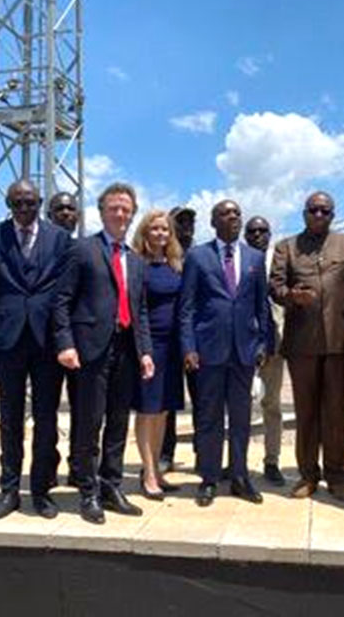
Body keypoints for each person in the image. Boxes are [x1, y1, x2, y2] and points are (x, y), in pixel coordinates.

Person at [54, 182, 154, 525]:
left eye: (126, 209)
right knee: (89, 421)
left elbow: (140, 310)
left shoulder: (136, 260)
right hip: (90, 350)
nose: (120, 214)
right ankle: (88, 491)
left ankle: (111, 485)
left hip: (126, 349)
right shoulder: (83, 250)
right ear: (101, 212)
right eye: (114, 208)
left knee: (118, 422)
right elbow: (62, 300)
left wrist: (145, 351)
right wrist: (65, 343)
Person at [0, 179, 70, 522]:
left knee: (46, 419)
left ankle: (41, 491)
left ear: (40, 203)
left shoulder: (59, 238)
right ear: (8, 205)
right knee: (10, 418)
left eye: (30, 202)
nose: (25, 209)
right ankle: (9, 490)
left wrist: (66, 340)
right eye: (18, 203)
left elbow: (65, 292)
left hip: (46, 340)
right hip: (7, 340)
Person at [269, 192, 344, 502]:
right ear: (304, 213)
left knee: (335, 413)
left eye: (325, 210)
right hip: (302, 343)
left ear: (333, 215)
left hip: (339, 342)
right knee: (306, 412)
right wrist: (292, 296)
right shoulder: (286, 247)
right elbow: (275, 287)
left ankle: (336, 476)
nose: (319, 215)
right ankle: (308, 474)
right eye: (313, 210)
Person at [179, 199, 269, 507]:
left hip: (244, 351)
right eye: (225, 214)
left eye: (236, 213)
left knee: (241, 418)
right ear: (213, 221)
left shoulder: (255, 257)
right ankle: (209, 478)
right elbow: (187, 307)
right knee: (209, 418)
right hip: (208, 351)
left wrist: (263, 343)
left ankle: (240, 477)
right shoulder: (197, 256)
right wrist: (189, 347)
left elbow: (261, 306)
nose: (233, 217)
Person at [131, 210, 184, 499]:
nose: (160, 234)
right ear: (145, 232)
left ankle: (157, 470)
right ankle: (148, 472)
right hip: (149, 347)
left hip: (173, 348)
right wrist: (144, 350)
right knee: (147, 410)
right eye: (155, 229)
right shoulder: (137, 264)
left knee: (163, 410)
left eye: (165, 229)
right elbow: (136, 310)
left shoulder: (176, 264)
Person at [244, 216, 285, 486]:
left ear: (270, 234)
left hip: (273, 344)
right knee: (241, 407)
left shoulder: (278, 261)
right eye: (253, 231)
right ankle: (238, 462)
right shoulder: (239, 260)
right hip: (243, 345)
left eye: (263, 231)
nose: (258, 235)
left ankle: (272, 461)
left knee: (272, 405)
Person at [47, 191, 83, 488]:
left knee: (83, 410)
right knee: (46, 410)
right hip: (44, 342)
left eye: (71, 209)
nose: (66, 213)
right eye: (59, 209)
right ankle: (47, 468)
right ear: (49, 215)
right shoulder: (39, 249)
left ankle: (79, 468)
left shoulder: (86, 250)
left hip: (79, 343)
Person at [160, 205, 196, 473]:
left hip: (196, 340)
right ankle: (165, 453)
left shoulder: (202, 255)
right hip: (169, 339)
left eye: (190, 222)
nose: (187, 227)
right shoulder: (161, 257)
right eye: (180, 222)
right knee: (168, 400)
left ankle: (204, 452)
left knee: (203, 400)